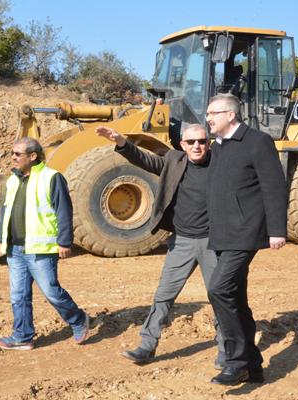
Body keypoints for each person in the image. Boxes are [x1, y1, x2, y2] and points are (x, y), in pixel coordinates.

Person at [95, 123, 225, 367]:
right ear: (182, 145)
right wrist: (122, 142)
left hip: (213, 242)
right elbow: (145, 159)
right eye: (191, 142)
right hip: (182, 242)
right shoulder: (174, 161)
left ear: (209, 142)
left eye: (202, 141)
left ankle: (227, 350)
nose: (197, 146)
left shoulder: (221, 163)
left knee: (220, 297)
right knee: (163, 296)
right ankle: (146, 346)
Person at [205, 93, 288, 385]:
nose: (208, 119)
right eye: (207, 114)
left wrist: (277, 229)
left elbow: (274, 186)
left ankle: (236, 361)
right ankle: (253, 367)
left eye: (212, 113)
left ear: (230, 114)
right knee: (236, 298)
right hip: (222, 234)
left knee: (218, 289)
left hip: (245, 232)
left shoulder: (257, 141)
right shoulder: (219, 147)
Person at [0, 137, 89, 350]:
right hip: (15, 249)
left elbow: (64, 211)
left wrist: (64, 242)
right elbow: (5, 210)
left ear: (33, 156)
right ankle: (23, 336)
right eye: (12, 153)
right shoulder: (12, 180)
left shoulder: (52, 178)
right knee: (18, 296)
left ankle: (78, 319)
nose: (13, 157)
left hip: (40, 249)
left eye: (18, 154)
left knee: (51, 291)